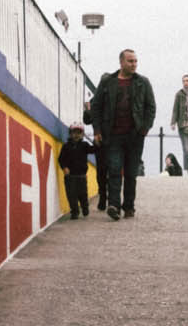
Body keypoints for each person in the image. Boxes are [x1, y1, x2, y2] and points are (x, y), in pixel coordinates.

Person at [89, 47, 156, 220]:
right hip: (112, 136)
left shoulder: (143, 82)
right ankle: (114, 206)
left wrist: (144, 128)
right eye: (130, 61)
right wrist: (97, 130)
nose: (134, 64)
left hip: (135, 136)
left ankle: (129, 207)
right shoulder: (107, 82)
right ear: (121, 62)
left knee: (131, 173)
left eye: (135, 61)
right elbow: (96, 106)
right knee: (114, 169)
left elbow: (151, 107)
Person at [57, 122, 95, 218]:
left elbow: (94, 150)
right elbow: (61, 159)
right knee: (71, 195)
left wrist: (97, 142)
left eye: (79, 132)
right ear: (70, 133)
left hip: (81, 176)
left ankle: (85, 208)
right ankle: (75, 212)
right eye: (74, 132)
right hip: (70, 177)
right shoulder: (66, 146)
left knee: (83, 194)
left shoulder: (85, 145)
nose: (76, 135)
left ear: (82, 134)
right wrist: (64, 167)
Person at [82, 90, 108, 214]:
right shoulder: (94, 101)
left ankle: (110, 198)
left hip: (112, 141)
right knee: (101, 172)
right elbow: (87, 120)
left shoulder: (112, 99)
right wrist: (87, 109)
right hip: (100, 141)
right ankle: (103, 196)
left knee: (110, 171)